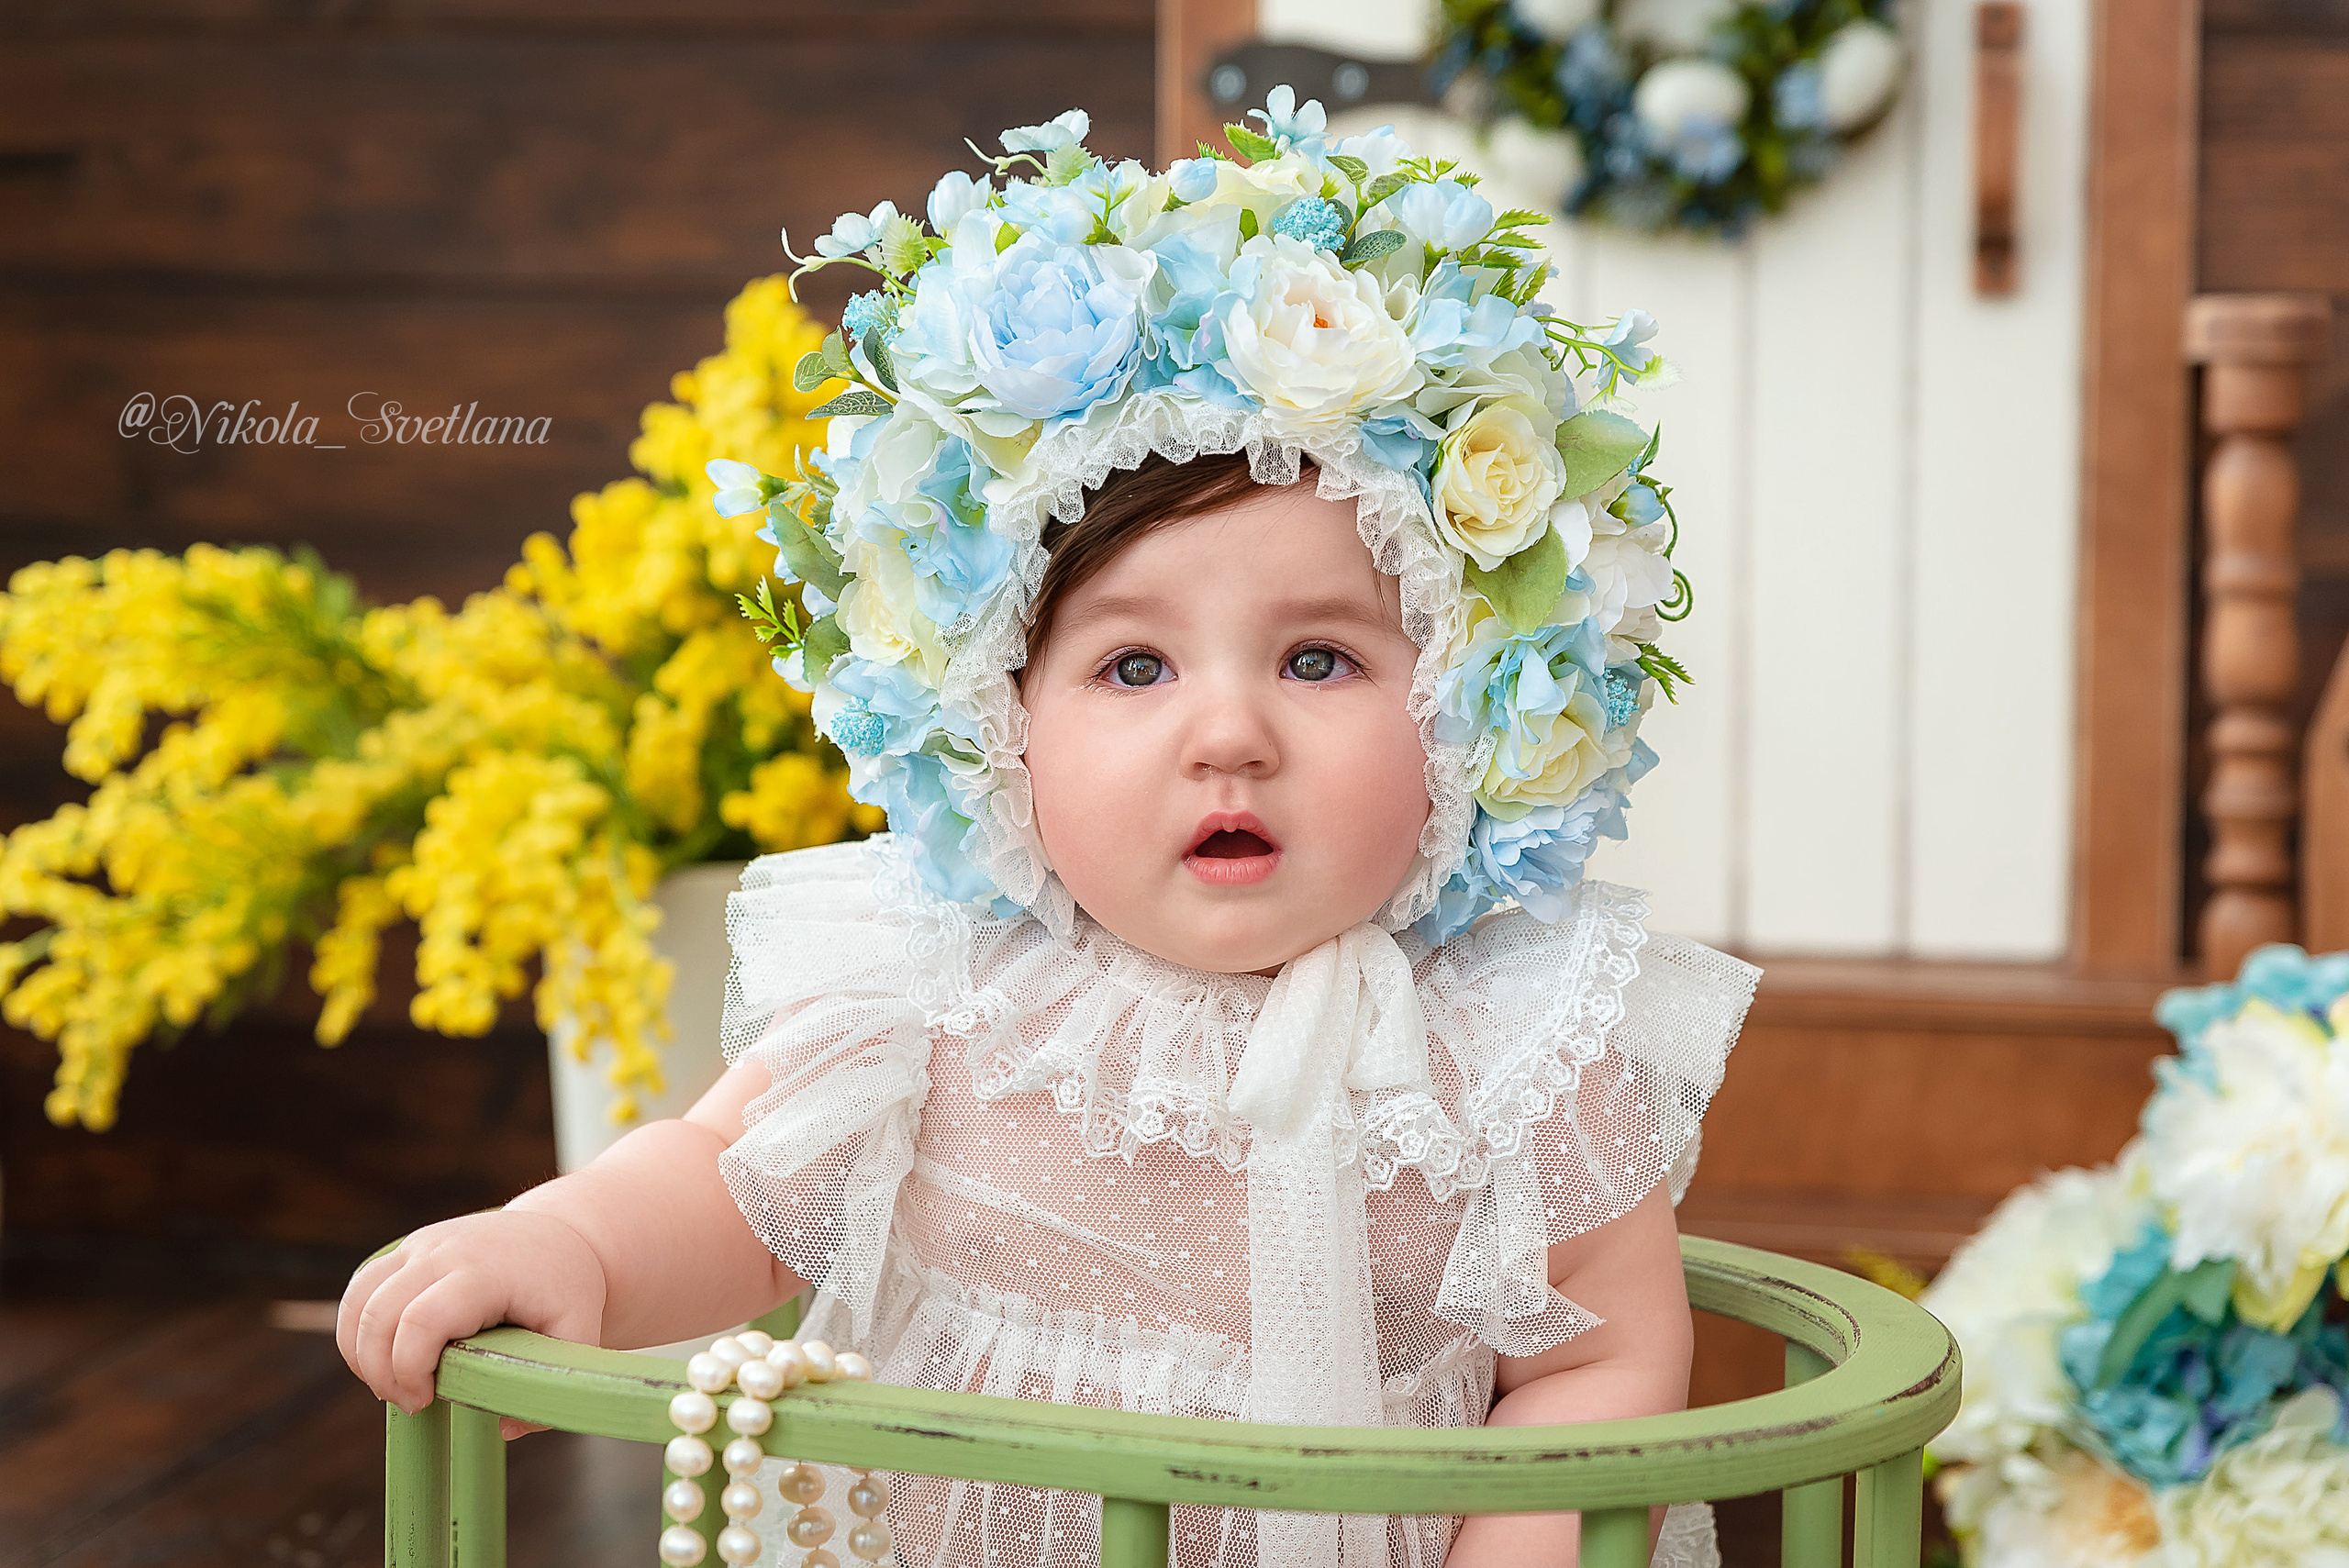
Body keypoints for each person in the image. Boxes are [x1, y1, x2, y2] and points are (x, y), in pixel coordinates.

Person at [339, 91, 1759, 1568]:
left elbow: (1595, 1375)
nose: (1228, 734)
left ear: (1467, 706)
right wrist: (568, 1246)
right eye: (1134, 667)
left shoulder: (1514, 1050)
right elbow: (728, 1185)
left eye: (1319, 659)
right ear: (995, 720)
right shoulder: (943, 987)